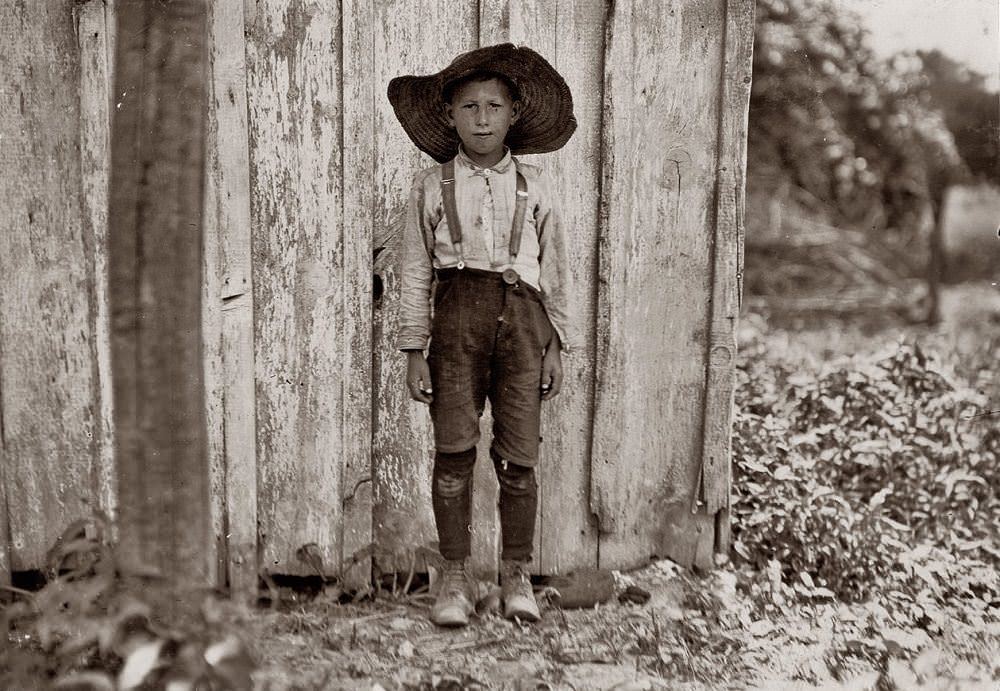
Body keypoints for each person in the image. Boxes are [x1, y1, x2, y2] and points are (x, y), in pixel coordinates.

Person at [387, 43, 583, 627]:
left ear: (513, 114)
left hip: (523, 327)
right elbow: (416, 270)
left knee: (518, 459)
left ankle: (515, 575)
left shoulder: (536, 186)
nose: (481, 118)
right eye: (468, 107)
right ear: (448, 115)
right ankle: (453, 578)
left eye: (493, 106)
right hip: (455, 325)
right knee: (453, 452)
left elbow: (558, 268)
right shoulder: (431, 185)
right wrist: (412, 350)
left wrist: (557, 343)